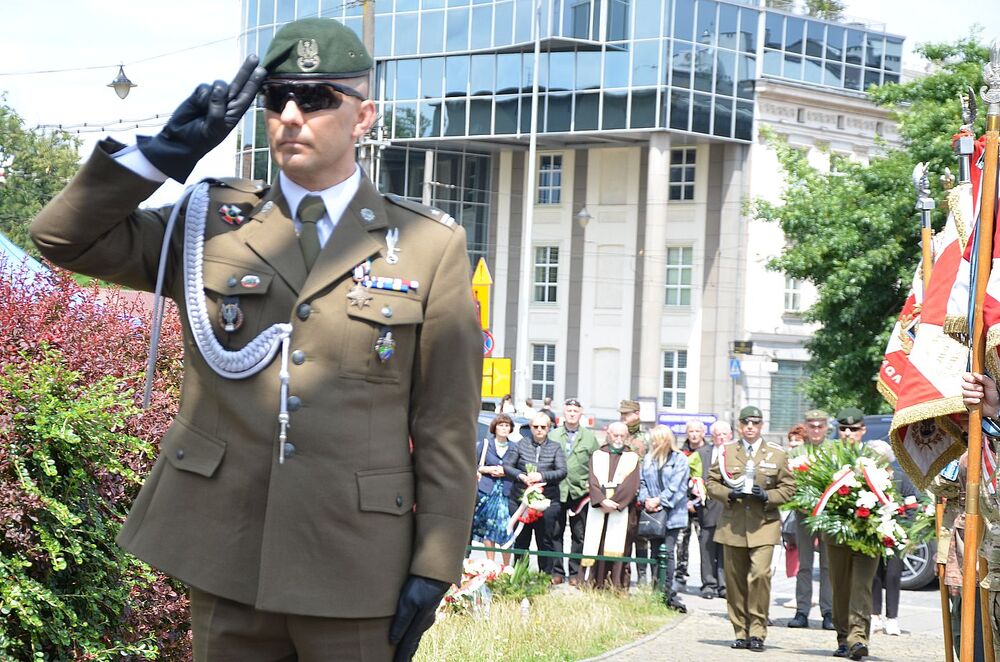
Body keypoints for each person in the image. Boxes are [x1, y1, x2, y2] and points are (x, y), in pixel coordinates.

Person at [29, 18, 483, 661]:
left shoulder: (428, 247)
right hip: (229, 555)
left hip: (354, 566)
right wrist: (158, 158)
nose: (292, 115)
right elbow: (61, 241)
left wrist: (436, 563)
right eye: (277, 99)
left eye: (318, 98)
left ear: (364, 116)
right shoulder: (207, 221)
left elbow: (446, 423)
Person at [706, 406, 795, 653]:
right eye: (745, 423)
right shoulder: (726, 453)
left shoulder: (776, 454)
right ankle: (740, 631)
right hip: (733, 525)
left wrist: (767, 495)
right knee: (734, 582)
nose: (750, 427)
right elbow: (711, 483)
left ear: (761, 426)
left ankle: (757, 631)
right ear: (739, 426)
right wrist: (728, 493)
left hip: (763, 525)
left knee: (759, 576)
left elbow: (789, 488)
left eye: (755, 423)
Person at [826, 408, 880, 660]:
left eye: (853, 429)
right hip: (837, 536)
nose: (848, 433)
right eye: (843, 429)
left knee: (861, 587)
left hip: (867, 535)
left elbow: (887, 490)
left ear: (863, 430)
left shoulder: (875, 457)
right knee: (841, 588)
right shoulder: (829, 457)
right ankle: (842, 637)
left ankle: (858, 639)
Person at [503, 412, 567, 575]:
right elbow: (507, 466)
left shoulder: (555, 447)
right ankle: (519, 577)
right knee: (521, 541)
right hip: (521, 501)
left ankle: (544, 577)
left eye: (543, 427)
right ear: (530, 427)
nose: (539, 430)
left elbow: (562, 471)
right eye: (535, 427)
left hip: (546, 502)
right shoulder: (521, 444)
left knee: (545, 541)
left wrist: (542, 476)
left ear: (549, 428)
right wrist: (521, 476)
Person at [788, 409, 834, 631]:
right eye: (812, 426)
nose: (816, 430)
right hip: (804, 514)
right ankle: (802, 610)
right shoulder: (797, 453)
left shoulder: (835, 450)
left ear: (826, 428)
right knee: (804, 565)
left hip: (827, 516)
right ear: (805, 428)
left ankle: (828, 612)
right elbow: (788, 482)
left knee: (828, 566)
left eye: (820, 426)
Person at [581, 422, 641, 590]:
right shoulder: (598, 455)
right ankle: (594, 582)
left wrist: (615, 503)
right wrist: (601, 500)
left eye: (623, 436)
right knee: (597, 545)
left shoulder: (632, 457)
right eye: (616, 435)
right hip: (600, 508)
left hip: (620, 509)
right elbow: (592, 481)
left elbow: (632, 484)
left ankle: (616, 584)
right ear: (608, 434)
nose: (619, 439)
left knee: (619, 545)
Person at [548, 398, 600, 585]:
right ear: (564, 412)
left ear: (581, 414)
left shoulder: (589, 437)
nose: (571, 413)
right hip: (557, 489)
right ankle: (557, 572)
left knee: (579, 534)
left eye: (575, 411)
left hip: (580, 493)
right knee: (555, 532)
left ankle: (575, 572)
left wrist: (592, 484)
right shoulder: (554, 435)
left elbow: (597, 462)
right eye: (568, 410)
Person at [638, 425, 690, 610]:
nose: (652, 442)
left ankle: (666, 592)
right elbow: (642, 482)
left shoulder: (679, 459)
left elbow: (679, 487)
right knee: (654, 552)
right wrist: (646, 500)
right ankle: (655, 589)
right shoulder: (647, 460)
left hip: (673, 514)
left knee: (667, 552)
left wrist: (661, 500)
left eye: (655, 439)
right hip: (653, 514)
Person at [867, 441, 916, 637]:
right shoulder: (867, 480)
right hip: (874, 534)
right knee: (874, 576)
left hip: (896, 535)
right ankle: (874, 616)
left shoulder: (901, 478)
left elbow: (911, 507)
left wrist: (905, 533)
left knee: (893, 576)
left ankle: (892, 618)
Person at [473, 414, 516, 565]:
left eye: (506, 425)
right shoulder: (485, 444)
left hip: (506, 492)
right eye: (501, 425)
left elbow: (519, 469)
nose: (504, 428)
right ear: (495, 427)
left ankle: (506, 567)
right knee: (489, 528)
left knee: (506, 529)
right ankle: (491, 564)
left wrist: (505, 471)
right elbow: (475, 465)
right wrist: (489, 469)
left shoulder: (514, 447)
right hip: (488, 492)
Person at [697, 421, 729, 599]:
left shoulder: (736, 453)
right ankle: (709, 584)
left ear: (730, 436)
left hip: (728, 507)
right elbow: (695, 476)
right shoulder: (702, 453)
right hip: (707, 507)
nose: (720, 437)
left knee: (725, 547)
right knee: (707, 547)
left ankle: (724, 585)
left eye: (724, 434)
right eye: (717, 434)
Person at [675, 419, 706, 591]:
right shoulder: (681, 453)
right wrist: (685, 500)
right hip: (683, 505)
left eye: (697, 431)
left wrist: (698, 500)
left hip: (703, 505)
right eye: (691, 431)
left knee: (705, 543)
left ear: (703, 433)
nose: (694, 434)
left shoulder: (708, 452)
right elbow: (677, 480)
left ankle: (707, 579)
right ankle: (680, 575)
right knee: (681, 542)